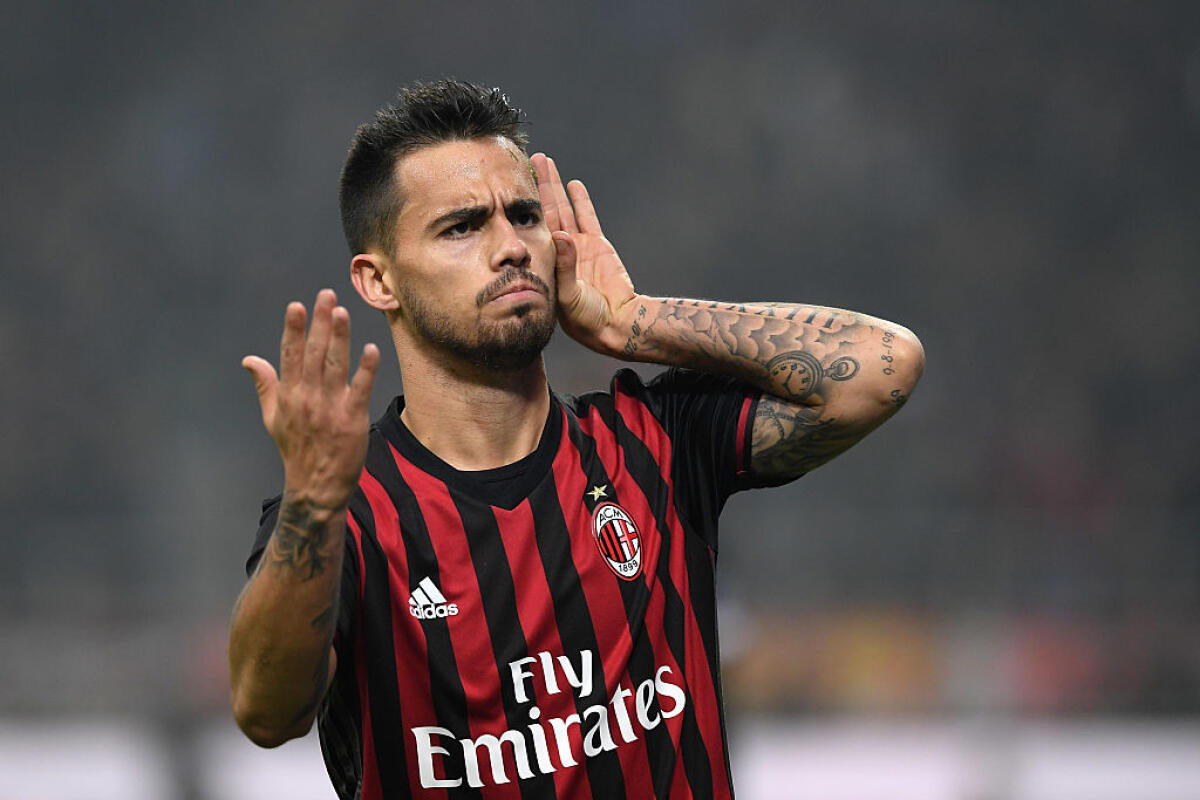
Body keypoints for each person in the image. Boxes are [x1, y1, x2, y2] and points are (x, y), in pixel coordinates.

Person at [229, 79, 924, 799]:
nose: (510, 248)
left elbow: (885, 368)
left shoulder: (653, 441)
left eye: (524, 215)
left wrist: (635, 324)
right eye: (462, 227)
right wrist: (313, 504)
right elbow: (267, 711)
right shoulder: (344, 515)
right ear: (379, 282)